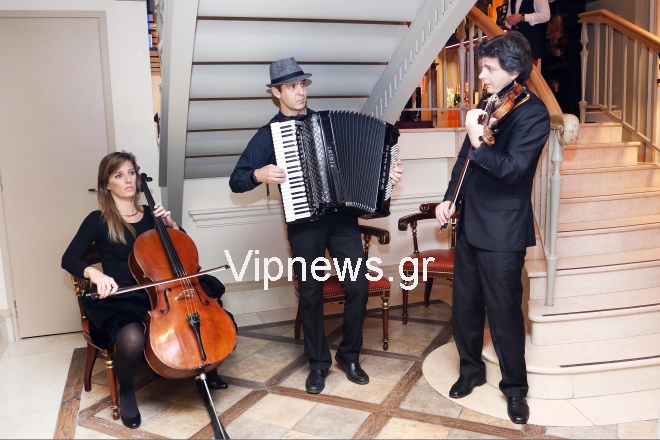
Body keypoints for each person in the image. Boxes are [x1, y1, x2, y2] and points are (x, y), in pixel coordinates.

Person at [230, 57, 403, 394]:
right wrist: (259, 174)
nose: (300, 92)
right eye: (291, 87)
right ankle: (318, 363)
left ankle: (349, 356)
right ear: (276, 93)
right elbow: (237, 181)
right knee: (311, 293)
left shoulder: (327, 124)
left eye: (302, 85)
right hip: (304, 225)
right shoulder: (269, 136)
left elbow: (368, 161)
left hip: (342, 221)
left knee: (357, 286)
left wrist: (388, 175)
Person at [62, 152, 229, 429]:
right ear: (106, 184)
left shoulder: (153, 215)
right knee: (131, 339)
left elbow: (183, 251)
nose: (128, 180)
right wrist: (95, 274)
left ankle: (207, 368)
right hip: (123, 295)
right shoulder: (98, 220)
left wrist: (172, 226)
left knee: (208, 314)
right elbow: (69, 258)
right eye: (119, 175)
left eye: (131, 172)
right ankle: (127, 392)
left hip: (162, 290)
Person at [435, 32, 550, 424]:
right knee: (465, 307)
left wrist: (478, 142)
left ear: (514, 72)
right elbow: (464, 160)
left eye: (488, 68)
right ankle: (470, 370)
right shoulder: (489, 104)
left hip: (503, 230)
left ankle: (515, 390)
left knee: (503, 314)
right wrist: (450, 198)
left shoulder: (533, 114)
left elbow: (514, 171)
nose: (481, 75)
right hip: (470, 223)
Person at [505, 0, 550, 67]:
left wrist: (523, 17)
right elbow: (509, 17)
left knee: (529, 72)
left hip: (531, 43)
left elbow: (545, 15)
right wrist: (508, 21)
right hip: (515, 44)